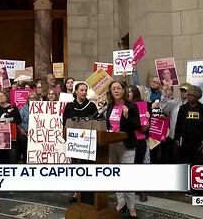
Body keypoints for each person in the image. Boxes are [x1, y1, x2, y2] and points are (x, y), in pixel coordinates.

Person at [105, 81, 141, 218]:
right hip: (112, 144)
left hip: (126, 145)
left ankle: (132, 207)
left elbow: (137, 125)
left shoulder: (131, 106)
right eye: (113, 89)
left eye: (118, 88)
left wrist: (126, 116)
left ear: (123, 90)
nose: (116, 91)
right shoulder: (110, 106)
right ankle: (121, 202)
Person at [174, 85, 203, 196]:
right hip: (186, 142)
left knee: (199, 166)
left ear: (197, 96)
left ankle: (199, 190)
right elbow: (179, 125)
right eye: (188, 94)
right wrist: (177, 138)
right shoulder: (183, 109)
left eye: (191, 95)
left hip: (200, 143)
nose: (188, 96)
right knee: (189, 165)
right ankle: (190, 188)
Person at [62, 82, 98, 203]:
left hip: (87, 141)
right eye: (81, 90)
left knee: (87, 165)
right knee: (75, 165)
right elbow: (64, 122)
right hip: (74, 141)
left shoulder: (91, 106)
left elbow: (97, 121)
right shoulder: (69, 106)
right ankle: (77, 191)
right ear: (76, 91)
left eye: (85, 90)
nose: (84, 92)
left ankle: (87, 191)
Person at [127, 84, 150, 202]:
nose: (127, 93)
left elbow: (145, 126)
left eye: (129, 92)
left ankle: (143, 191)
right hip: (129, 139)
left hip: (141, 139)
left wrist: (147, 118)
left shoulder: (142, 105)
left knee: (143, 165)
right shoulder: (123, 105)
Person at [160, 82, 191, 164]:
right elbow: (164, 109)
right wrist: (164, 96)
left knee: (187, 160)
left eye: (185, 91)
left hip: (188, 139)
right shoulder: (175, 102)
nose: (183, 92)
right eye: (181, 90)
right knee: (175, 159)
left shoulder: (192, 104)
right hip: (174, 136)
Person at [0, 90, 21, 164]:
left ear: (6, 97)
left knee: (12, 156)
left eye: (2, 95)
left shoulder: (13, 107)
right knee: (0, 157)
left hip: (11, 137)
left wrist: (10, 122)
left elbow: (19, 120)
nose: (1, 97)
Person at [19, 92, 38, 163]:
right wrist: (27, 129)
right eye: (30, 98)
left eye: (34, 98)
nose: (32, 100)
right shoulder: (23, 109)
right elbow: (20, 121)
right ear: (28, 100)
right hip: (27, 132)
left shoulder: (42, 108)